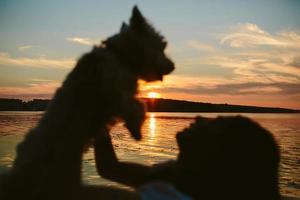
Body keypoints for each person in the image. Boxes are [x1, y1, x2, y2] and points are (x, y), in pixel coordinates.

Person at [94, 116, 281, 200]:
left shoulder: (167, 195)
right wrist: (99, 123)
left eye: (214, 124)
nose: (199, 117)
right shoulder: (173, 174)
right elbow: (109, 168)